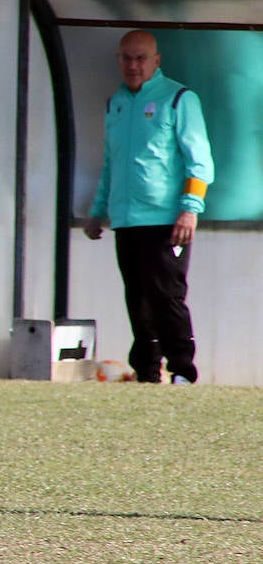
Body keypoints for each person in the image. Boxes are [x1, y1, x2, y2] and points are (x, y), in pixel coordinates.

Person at [84, 29, 214, 385]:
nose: (133, 65)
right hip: (127, 220)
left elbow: (199, 161)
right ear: (118, 61)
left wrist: (190, 208)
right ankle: (146, 373)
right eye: (126, 58)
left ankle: (183, 372)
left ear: (156, 61)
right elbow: (111, 164)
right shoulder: (116, 103)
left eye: (141, 58)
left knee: (167, 296)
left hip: (167, 220)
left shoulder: (178, 99)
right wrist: (98, 210)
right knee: (137, 299)